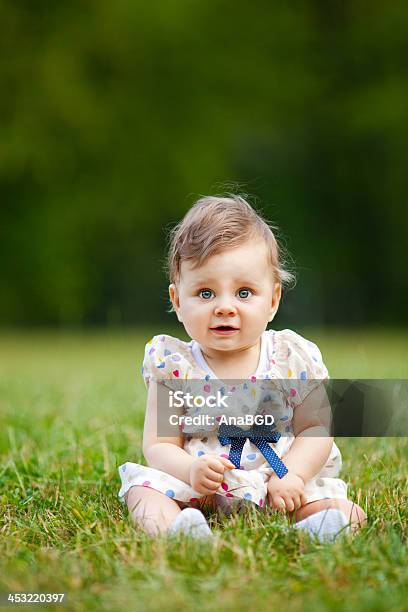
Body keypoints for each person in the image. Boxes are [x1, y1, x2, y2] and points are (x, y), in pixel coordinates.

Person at [118, 195, 367, 541]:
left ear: (273, 299)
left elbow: (315, 428)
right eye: (205, 293)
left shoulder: (290, 358)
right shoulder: (174, 366)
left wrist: (292, 476)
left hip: (276, 480)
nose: (224, 307)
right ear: (177, 301)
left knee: (347, 511)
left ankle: (309, 532)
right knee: (143, 489)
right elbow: (160, 444)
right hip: (201, 485)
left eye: (244, 292)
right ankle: (179, 533)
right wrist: (191, 470)